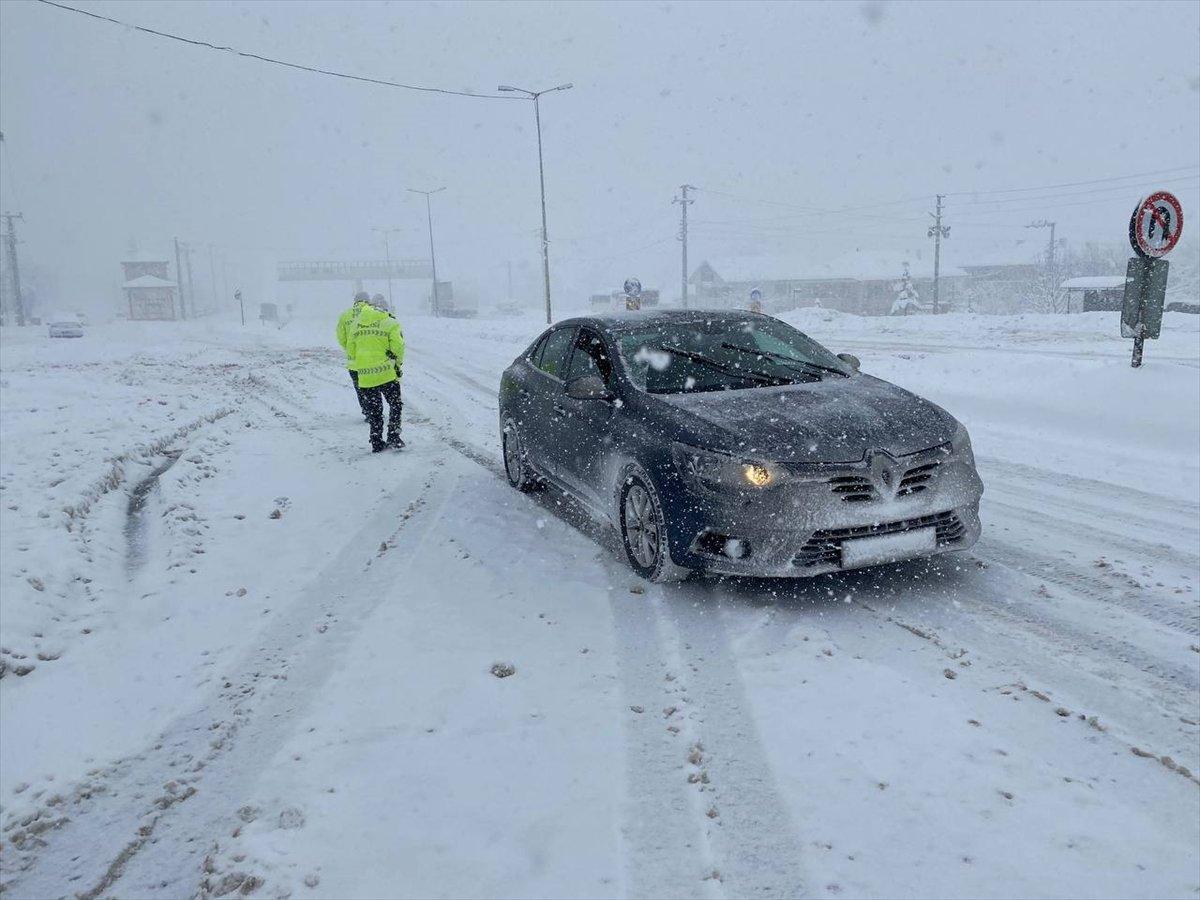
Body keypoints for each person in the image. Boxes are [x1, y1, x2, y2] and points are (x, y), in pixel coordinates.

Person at [346, 295, 405, 452]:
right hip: (386, 374)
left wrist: (363, 363)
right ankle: (393, 436)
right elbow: (398, 347)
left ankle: (376, 441)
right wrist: (397, 363)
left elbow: (350, 349)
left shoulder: (356, 324)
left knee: (374, 410)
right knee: (395, 404)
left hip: (365, 376)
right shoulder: (390, 322)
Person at [336, 291, 371, 418]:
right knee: (372, 386)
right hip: (371, 359)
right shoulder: (373, 313)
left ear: (355, 301)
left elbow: (341, 337)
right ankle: (374, 411)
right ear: (368, 300)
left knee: (360, 388)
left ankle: (367, 411)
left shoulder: (345, 315)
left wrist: (350, 348)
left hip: (354, 362)